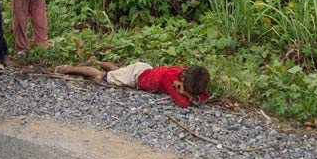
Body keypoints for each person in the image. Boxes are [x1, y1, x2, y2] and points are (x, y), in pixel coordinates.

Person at [54, 61, 211, 108]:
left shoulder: (186, 74)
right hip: (136, 77)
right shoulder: (171, 78)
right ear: (182, 78)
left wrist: (187, 92)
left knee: (119, 72)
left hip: (144, 70)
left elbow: (204, 96)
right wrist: (186, 95)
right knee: (101, 76)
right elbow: (182, 103)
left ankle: (98, 61)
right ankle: (70, 68)